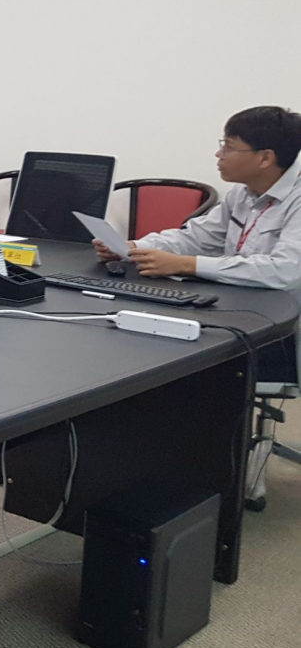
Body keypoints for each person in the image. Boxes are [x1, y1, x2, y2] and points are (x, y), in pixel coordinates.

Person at [91, 106, 301, 510]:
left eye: (229, 146)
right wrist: (135, 247)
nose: (219, 154)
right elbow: (194, 237)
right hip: (233, 310)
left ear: (265, 157)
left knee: (169, 357)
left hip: (279, 332)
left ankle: (196, 471)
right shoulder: (242, 195)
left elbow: (285, 271)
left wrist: (186, 266)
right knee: (139, 337)